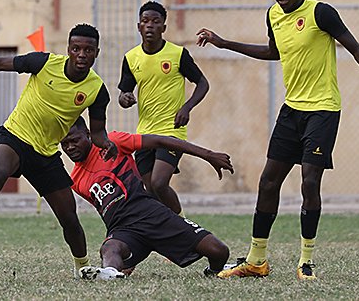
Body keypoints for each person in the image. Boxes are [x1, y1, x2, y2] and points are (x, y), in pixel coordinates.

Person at [196, 0, 359, 280]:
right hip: (292, 109)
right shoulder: (273, 15)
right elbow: (275, 52)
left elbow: (352, 46)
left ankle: (306, 262)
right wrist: (224, 42)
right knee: (268, 181)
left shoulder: (320, 13)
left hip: (323, 109)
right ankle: (257, 260)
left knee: (309, 181)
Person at [0, 23, 119, 278]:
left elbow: (97, 133)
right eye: (76, 48)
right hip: (14, 136)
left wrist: (106, 144)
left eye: (88, 50)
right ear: (69, 50)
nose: (82, 54)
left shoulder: (97, 90)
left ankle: (82, 267)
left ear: (97, 52)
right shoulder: (43, 63)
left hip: (46, 154)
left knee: (69, 217)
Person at [60, 116, 234, 280]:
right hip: (124, 229)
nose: (70, 147)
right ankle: (110, 273)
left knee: (219, 251)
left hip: (152, 214)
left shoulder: (113, 142)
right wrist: (125, 254)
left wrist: (208, 155)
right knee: (109, 248)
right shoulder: (75, 180)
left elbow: (160, 141)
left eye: (74, 140)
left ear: (88, 135)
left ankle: (213, 271)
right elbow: (106, 209)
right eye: (64, 143)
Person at [118, 1, 210, 217]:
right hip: (145, 132)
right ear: (138, 26)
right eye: (145, 21)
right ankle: (168, 231)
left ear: (163, 28)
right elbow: (123, 94)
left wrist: (187, 107)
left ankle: (183, 223)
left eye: (155, 21)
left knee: (160, 183)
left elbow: (203, 83)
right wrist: (126, 98)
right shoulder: (131, 58)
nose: (150, 25)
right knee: (150, 190)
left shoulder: (178, 54)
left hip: (172, 130)